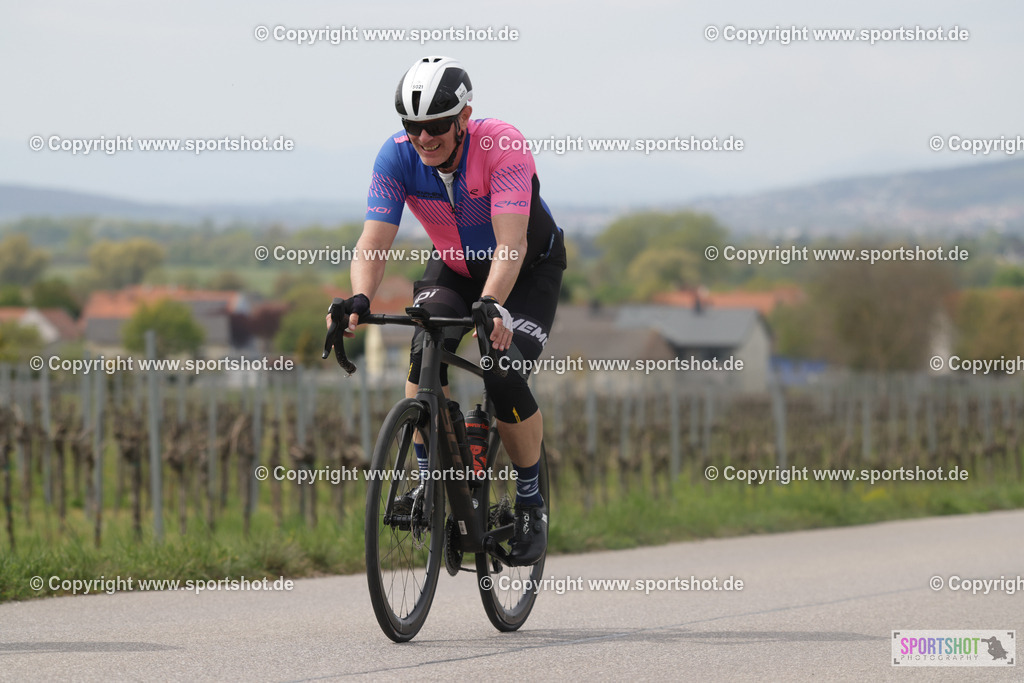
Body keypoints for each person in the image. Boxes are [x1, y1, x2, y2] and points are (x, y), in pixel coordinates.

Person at [332, 56, 565, 566]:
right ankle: (427, 479)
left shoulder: (501, 145)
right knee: (423, 352)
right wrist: (359, 299)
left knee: (502, 373)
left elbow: (512, 244)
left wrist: (493, 304)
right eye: (413, 126)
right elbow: (373, 241)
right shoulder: (395, 157)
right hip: (456, 268)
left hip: (524, 270)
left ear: (465, 117)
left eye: (436, 125)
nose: (424, 137)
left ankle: (530, 502)